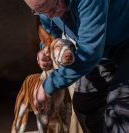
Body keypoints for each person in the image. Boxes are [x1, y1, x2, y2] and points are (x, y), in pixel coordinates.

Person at [24, 0, 129, 132]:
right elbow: (51, 34)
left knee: (120, 112)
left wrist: (48, 86)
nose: (51, 15)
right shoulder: (47, 7)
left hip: (121, 42)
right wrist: (46, 51)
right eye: (42, 11)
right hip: (103, 51)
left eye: (55, 6)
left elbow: (89, 53)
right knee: (85, 103)